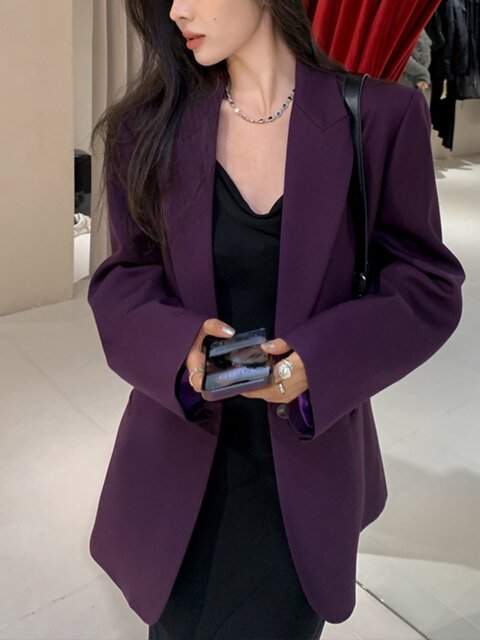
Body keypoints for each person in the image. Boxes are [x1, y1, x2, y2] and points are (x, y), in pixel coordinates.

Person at [87, 1, 465, 639]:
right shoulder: (147, 127)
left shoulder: (378, 117)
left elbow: (426, 283)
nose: (177, 10)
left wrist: (318, 361)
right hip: (182, 461)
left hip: (306, 467)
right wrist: (178, 350)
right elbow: (123, 276)